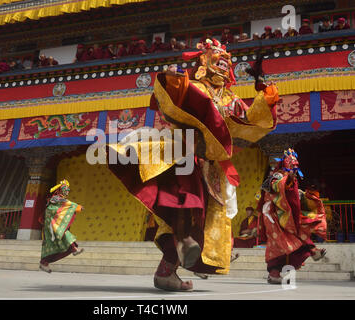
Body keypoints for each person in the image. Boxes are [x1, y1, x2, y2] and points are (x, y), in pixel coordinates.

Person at [107, 38, 279, 291]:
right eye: (218, 60)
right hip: (183, 153)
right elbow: (169, 102)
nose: (223, 64)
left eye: (226, 62)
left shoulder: (231, 98)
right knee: (186, 202)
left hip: (211, 165)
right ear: (205, 61)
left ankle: (168, 271)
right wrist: (175, 82)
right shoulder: (195, 86)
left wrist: (265, 94)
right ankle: (183, 243)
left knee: (204, 219)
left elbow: (251, 120)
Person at [257, 149, 327, 284]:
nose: (294, 169)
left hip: (287, 214)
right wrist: (287, 180)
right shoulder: (277, 176)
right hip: (273, 216)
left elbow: (292, 196)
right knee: (278, 244)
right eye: (291, 166)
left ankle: (312, 251)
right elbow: (274, 187)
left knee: (299, 232)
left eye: (295, 166)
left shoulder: (291, 178)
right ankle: (274, 273)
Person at [39, 179, 84, 273]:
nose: (67, 191)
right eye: (66, 189)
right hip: (51, 225)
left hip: (56, 224)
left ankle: (73, 249)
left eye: (68, 190)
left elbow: (66, 204)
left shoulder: (58, 198)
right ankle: (44, 262)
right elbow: (66, 204)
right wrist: (76, 207)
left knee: (64, 236)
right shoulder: (55, 198)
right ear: (61, 190)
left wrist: (75, 207)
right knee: (57, 240)